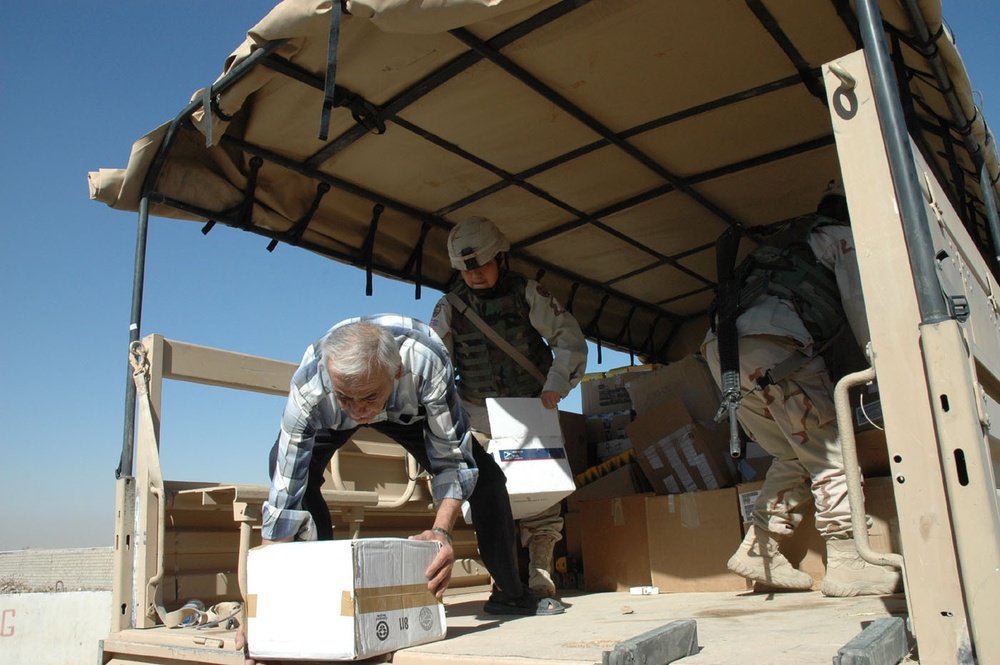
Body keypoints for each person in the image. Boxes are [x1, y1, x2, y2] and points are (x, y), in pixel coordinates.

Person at [256, 314, 564, 613]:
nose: (359, 411)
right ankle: (322, 596)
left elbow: (453, 460)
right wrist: (261, 604)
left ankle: (510, 594)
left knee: (489, 481)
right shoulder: (310, 387)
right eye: (345, 397)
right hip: (338, 416)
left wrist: (441, 532)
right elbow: (284, 499)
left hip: (408, 411)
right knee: (291, 471)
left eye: (368, 397)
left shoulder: (426, 361)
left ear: (397, 370)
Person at [702, 180, 903, 597]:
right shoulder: (839, 236)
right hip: (775, 346)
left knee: (794, 452)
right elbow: (859, 301)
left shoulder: (780, 245)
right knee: (831, 450)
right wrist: (881, 361)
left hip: (723, 354)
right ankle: (848, 561)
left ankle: (758, 549)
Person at [429, 216, 588, 598]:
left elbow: (569, 341)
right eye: (466, 269)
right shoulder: (449, 307)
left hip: (529, 408)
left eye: (482, 265)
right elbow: (436, 362)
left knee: (541, 490)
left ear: (501, 258)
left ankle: (540, 571)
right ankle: (502, 577)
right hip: (476, 413)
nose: (475, 275)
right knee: (486, 494)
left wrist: (554, 387)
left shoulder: (529, 293)